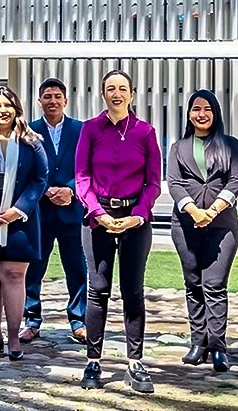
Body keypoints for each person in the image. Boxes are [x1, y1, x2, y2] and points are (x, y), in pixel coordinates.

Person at [75, 68, 161, 394]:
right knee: (98, 290)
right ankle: (93, 361)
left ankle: (135, 362)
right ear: (102, 94)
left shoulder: (145, 132)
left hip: (135, 221)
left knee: (132, 290)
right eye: (110, 88)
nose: (116, 93)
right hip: (98, 219)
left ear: (132, 94)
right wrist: (98, 212)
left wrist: (137, 215)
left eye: (122, 88)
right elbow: (81, 178)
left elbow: (153, 182)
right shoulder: (90, 130)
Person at [167, 89, 238, 373]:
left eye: (207, 109)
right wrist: (194, 211)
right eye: (196, 109)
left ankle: (217, 347)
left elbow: (236, 180)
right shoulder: (178, 148)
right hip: (185, 225)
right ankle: (197, 342)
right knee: (193, 284)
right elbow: (174, 183)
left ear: (215, 113)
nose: (202, 114)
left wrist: (212, 212)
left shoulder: (230, 145)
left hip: (222, 225)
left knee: (214, 284)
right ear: (188, 114)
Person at [0, 87, 48, 361]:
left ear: (16, 108)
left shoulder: (31, 140)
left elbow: (40, 178)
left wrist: (19, 209)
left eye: (7, 105)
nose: (2, 111)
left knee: (13, 275)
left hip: (20, 221)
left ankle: (13, 337)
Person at [21, 78, 88, 344]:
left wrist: (70, 190)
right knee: (34, 267)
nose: (52, 101)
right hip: (41, 211)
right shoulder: (29, 131)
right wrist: (46, 190)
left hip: (72, 210)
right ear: (40, 101)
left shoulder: (80, 130)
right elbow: (25, 168)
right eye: (47, 96)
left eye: (57, 96)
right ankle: (32, 319)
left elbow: (86, 167)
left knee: (77, 268)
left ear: (65, 100)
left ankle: (79, 320)